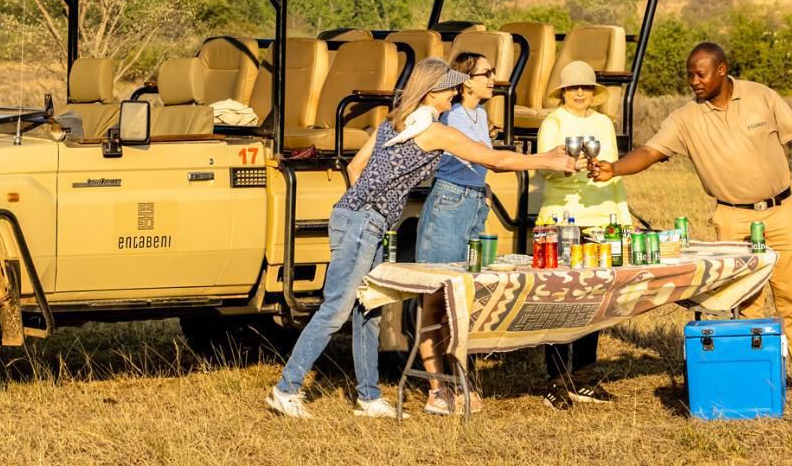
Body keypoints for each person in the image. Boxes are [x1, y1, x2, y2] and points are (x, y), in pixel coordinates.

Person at [267, 57, 579, 419]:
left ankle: (368, 397)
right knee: (336, 311)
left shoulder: (393, 121)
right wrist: (548, 161)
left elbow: (355, 168)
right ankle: (286, 389)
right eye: (451, 88)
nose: (456, 94)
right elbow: (494, 161)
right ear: (434, 91)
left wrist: (367, 205)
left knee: (368, 309)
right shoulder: (432, 131)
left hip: (358, 218)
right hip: (363, 222)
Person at [592, 42, 792, 399]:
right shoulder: (685, 118)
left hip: (781, 210)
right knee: (746, 298)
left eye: (700, 74)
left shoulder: (761, 97)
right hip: (732, 218)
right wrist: (614, 168)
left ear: (722, 70)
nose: (693, 81)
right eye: (689, 75)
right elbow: (650, 152)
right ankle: (758, 376)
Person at [534, 59, 633, 409]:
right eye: (574, 88)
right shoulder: (554, 122)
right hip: (562, 218)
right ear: (563, 92)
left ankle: (585, 378)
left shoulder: (604, 123)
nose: (580, 93)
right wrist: (567, 167)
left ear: (594, 92)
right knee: (562, 299)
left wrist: (621, 217)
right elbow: (544, 169)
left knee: (597, 300)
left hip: (602, 216)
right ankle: (556, 381)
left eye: (586, 88)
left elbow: (615, 173)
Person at [412, 51, 497, 414]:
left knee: (463, 298)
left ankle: (459, 382)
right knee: (435, 297)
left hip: (476, 202)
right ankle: (437, 389)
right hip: (449, 202)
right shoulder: (450, 116)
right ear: (466, 81)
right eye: (486, 73)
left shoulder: (481, 115)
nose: (493, 78)